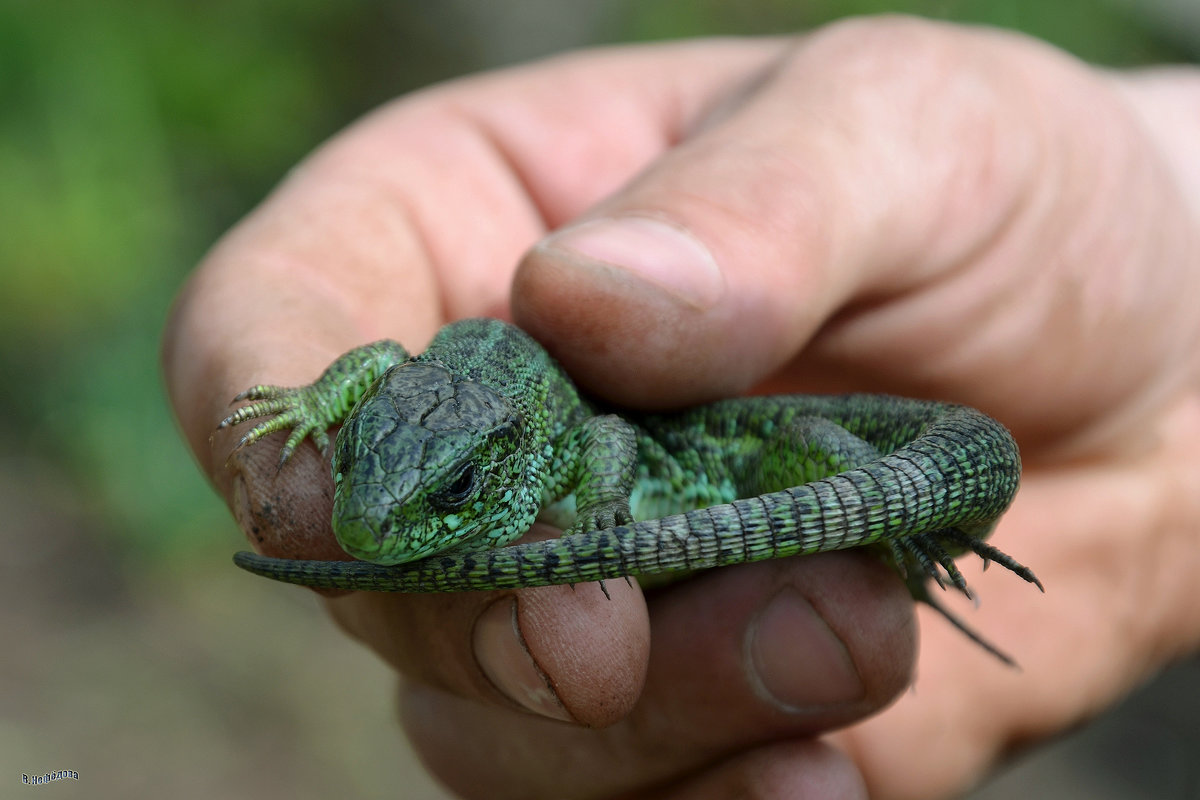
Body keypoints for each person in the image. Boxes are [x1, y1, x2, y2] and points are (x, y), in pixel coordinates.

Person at [163, 16, 1200, 799]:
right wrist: (313, 399)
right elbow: (383, 358)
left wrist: (878, 505)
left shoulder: (562, 444)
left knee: (830, 488)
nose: (362, 520)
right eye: (353, 468)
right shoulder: (453, 420)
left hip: (755, 442)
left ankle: (895, 511)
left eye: (457, 489)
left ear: (511, 456)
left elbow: (604, 439)